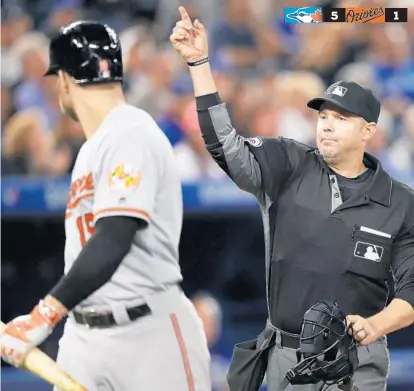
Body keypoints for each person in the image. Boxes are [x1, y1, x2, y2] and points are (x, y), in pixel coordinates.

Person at [170, 6, 414, 391]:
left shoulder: (400, 201)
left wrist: (375, 324)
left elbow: (411, 289)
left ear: (368, 130)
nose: (328, 125)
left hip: (356, 359)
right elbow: (225, 147)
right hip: (287, 357)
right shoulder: (290, 162)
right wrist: (199, 63)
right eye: (324, 116)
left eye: (342, 118)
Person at [0, 21, 212, 391]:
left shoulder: (130, 130)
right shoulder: (91, 149)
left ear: (64, 79)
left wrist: (43, 315)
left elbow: (115, 236)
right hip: (84, 337)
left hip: (148, 336)